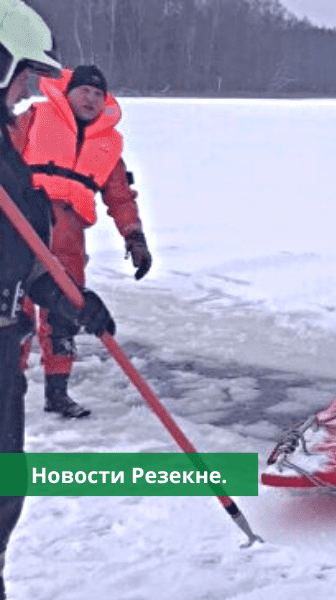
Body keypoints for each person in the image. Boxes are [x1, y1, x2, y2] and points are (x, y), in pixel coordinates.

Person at [0, 3, 116, 598]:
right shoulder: (24, 129)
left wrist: (70, 299)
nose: (27, 90)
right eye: (22, 74)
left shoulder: (4, 137)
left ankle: (58, 383)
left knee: (7, 484)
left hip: (40, 269)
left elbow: (18, 246)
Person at [12, 64, 151, 418]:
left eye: (98, 94)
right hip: (23, 227)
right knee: (16, 313)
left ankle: (57, 394)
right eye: (84, 91)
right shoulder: (36, 116)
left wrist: (134, 237)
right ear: (67, 93)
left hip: (70, 236)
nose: (90, 98)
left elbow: (120, 196)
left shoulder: (108, 144)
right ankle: (10, 386)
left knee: (66, 315)